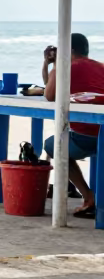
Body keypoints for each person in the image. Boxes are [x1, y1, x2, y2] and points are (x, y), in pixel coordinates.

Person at [39, 33, 104, 219]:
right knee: (61, 140)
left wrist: (55, 65)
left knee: (53, 145)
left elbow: (49, 96)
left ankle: (88, 196)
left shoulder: (64, 68)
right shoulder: (101, 66)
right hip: (102, 132)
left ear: (69, 50)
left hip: (85, 137)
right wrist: (48, 65)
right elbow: (50, 88)